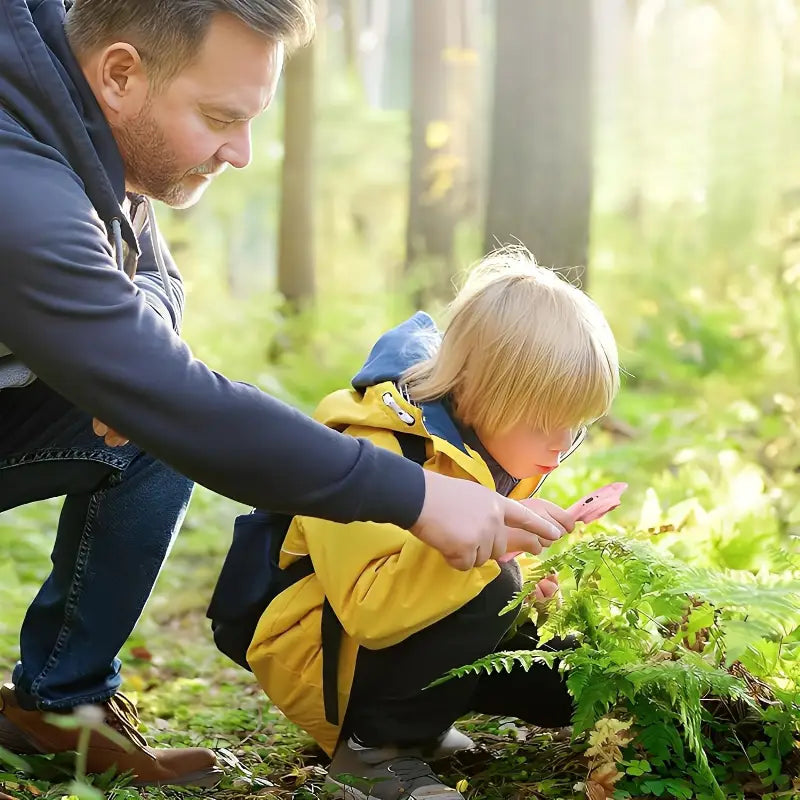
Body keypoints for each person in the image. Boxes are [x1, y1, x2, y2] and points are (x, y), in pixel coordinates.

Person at [0, 0, 567, 788]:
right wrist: (418, 498)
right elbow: (183, 400)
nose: (241, 151)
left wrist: (121, 357)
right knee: (171, 414)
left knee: (153, 435)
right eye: (218, 117)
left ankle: (59, 707)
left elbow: (155, 275)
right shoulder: (18, 183)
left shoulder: (71, 113)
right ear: (121, 73)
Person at [243, 249, 621, 800]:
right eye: (544, 422)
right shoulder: (371, 448)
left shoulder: (485, 441)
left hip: (392, 641)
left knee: (572, 677)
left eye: (577, 426)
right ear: (478, 391)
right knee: (494, 586)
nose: (561, 446)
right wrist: (498, 553)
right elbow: (370, 608)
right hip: (322, 661)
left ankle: (420, 718)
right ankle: (373, 751)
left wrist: (534, 575)